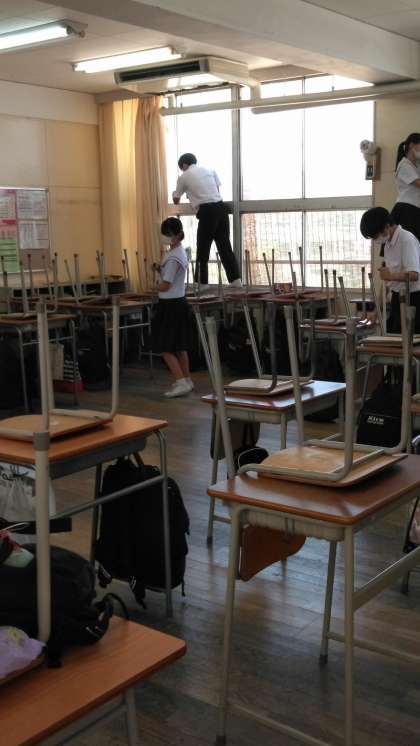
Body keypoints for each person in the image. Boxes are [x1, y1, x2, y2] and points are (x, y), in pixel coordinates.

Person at [172, 153, 242, 289]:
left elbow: (176, 200)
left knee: (203, 247)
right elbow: (216, 190)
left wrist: (176, 194)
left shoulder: (184, 176)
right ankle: (235, 280)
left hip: (207, 212)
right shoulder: (210, 170)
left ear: (184, 165)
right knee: (225, 246)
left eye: (181, 168)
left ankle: (202, 283)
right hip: (221, 208)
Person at [360, 206, 420, 332]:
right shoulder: (387, 245)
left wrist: (390, 276)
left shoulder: (407, 239)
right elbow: (387, 283)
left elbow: (414, 275)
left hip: (415, 299)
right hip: (397, 298)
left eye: (375, 236)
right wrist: (376, 312)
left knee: (410, 341)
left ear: (387, 227)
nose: (375, 240)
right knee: (394, 336)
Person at [152, 217, 194, 398]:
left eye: (167, 234)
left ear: (177, 236)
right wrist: (159, 270)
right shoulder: (177, 252)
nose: (164, 237)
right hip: (178, 303)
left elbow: (166, 285)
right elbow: (170, 277)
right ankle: (187, 380)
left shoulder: (174, 257)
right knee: (179, 346)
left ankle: (181, 382)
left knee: (165, 347)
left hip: (170, 306)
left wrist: (153, 286)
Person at [392, 132, 420, 242]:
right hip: (406, 209)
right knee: (410, 244)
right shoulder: (404, 165)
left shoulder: (417, 165)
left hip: (414, 209)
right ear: (412, 145)